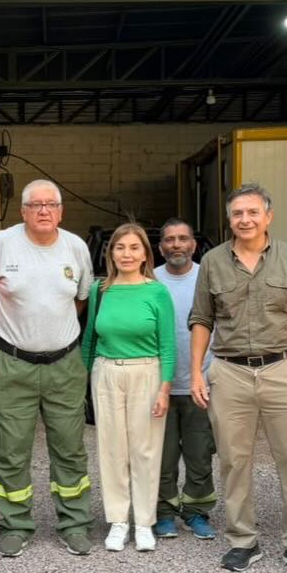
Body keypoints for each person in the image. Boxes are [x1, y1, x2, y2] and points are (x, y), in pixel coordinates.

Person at [189, 183, 287, 573]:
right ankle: (242, 541)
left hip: (284, 369)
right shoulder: (212, 261)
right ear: (229, 219)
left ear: (268, 217)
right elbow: (202, 318)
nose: (245, 220)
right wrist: (197, 371)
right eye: (237, 213)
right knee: (234, 460)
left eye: (252, 212)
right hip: (230, 371)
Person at [0, 180, 95, 557]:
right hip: (13, 364)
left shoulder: (75, 247)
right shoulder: (0, 245)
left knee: (70, 447)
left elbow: (80, 300)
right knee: (9, 449)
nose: (44, 210)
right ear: (22, 211)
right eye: (35, 204)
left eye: (51, 204)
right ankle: (15, 524)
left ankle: (74, 523)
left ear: (61, 211)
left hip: (65, 365)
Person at [82, 223, 176, 552]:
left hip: (147, 372)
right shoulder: (100, 290)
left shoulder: (157, 292)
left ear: (145, 254)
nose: (126, 254)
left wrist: (164, 389)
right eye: (120, 247)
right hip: (106, 372)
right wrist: (83, 381)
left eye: (134, 247)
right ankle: (118, 520)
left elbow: (168, 345)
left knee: (145, 450)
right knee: (112, 449)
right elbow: (89, 340)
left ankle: (145, 522)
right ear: (111, 254)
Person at [153, 218, 217, 541]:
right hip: (160, 386)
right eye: (169, 239)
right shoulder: (149, 280)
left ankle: (196, 511)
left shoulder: (209, 277)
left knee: (199, 453)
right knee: (162, 457)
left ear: (194, 244)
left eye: (182, 238)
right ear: (160, 246)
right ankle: (164, 512)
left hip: (201, 382)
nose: (176, 244)